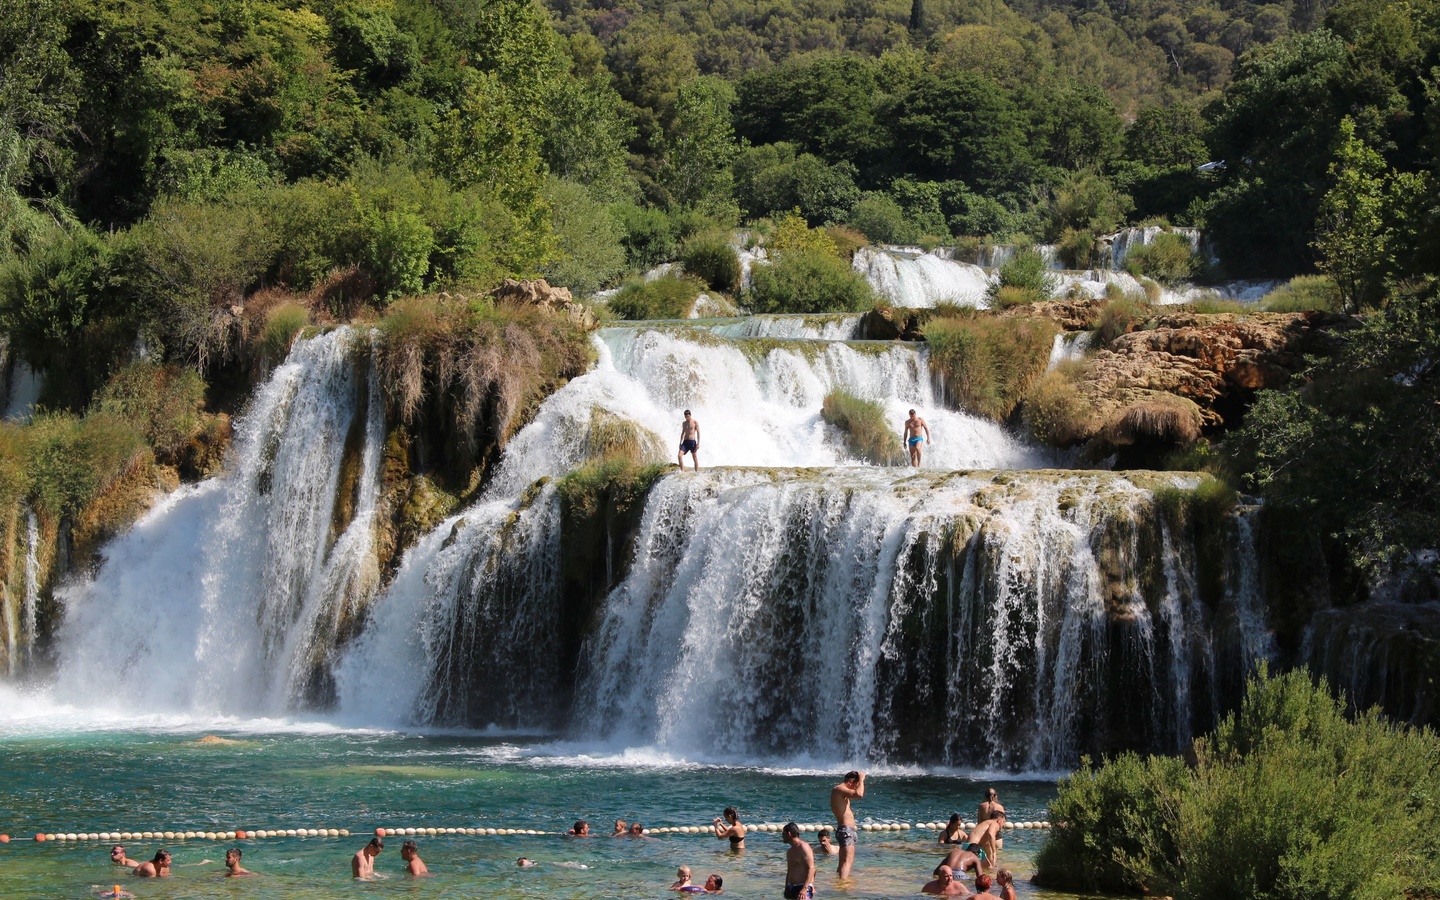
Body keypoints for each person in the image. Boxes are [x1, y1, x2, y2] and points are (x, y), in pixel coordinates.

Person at [830, 769, 865, 878]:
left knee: (843, 862)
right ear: (851, 782)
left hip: (846, 830)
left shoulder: (841, 792)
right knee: (847, 862)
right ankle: (843, 885)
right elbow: (859, 794)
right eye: (856, 785)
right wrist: (862, 780)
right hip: (846, 830)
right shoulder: (839, 789)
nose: (856, 787)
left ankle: (839, 882)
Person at [781, 822, 815, 900]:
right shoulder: (789, 851)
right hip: (791, 887)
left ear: (789, 833)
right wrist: (786, 887)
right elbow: (789, 871)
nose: (782, 836)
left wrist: (805, 888)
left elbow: (812, 868)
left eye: (783, 834)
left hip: (803, 887)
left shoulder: (804, 847)